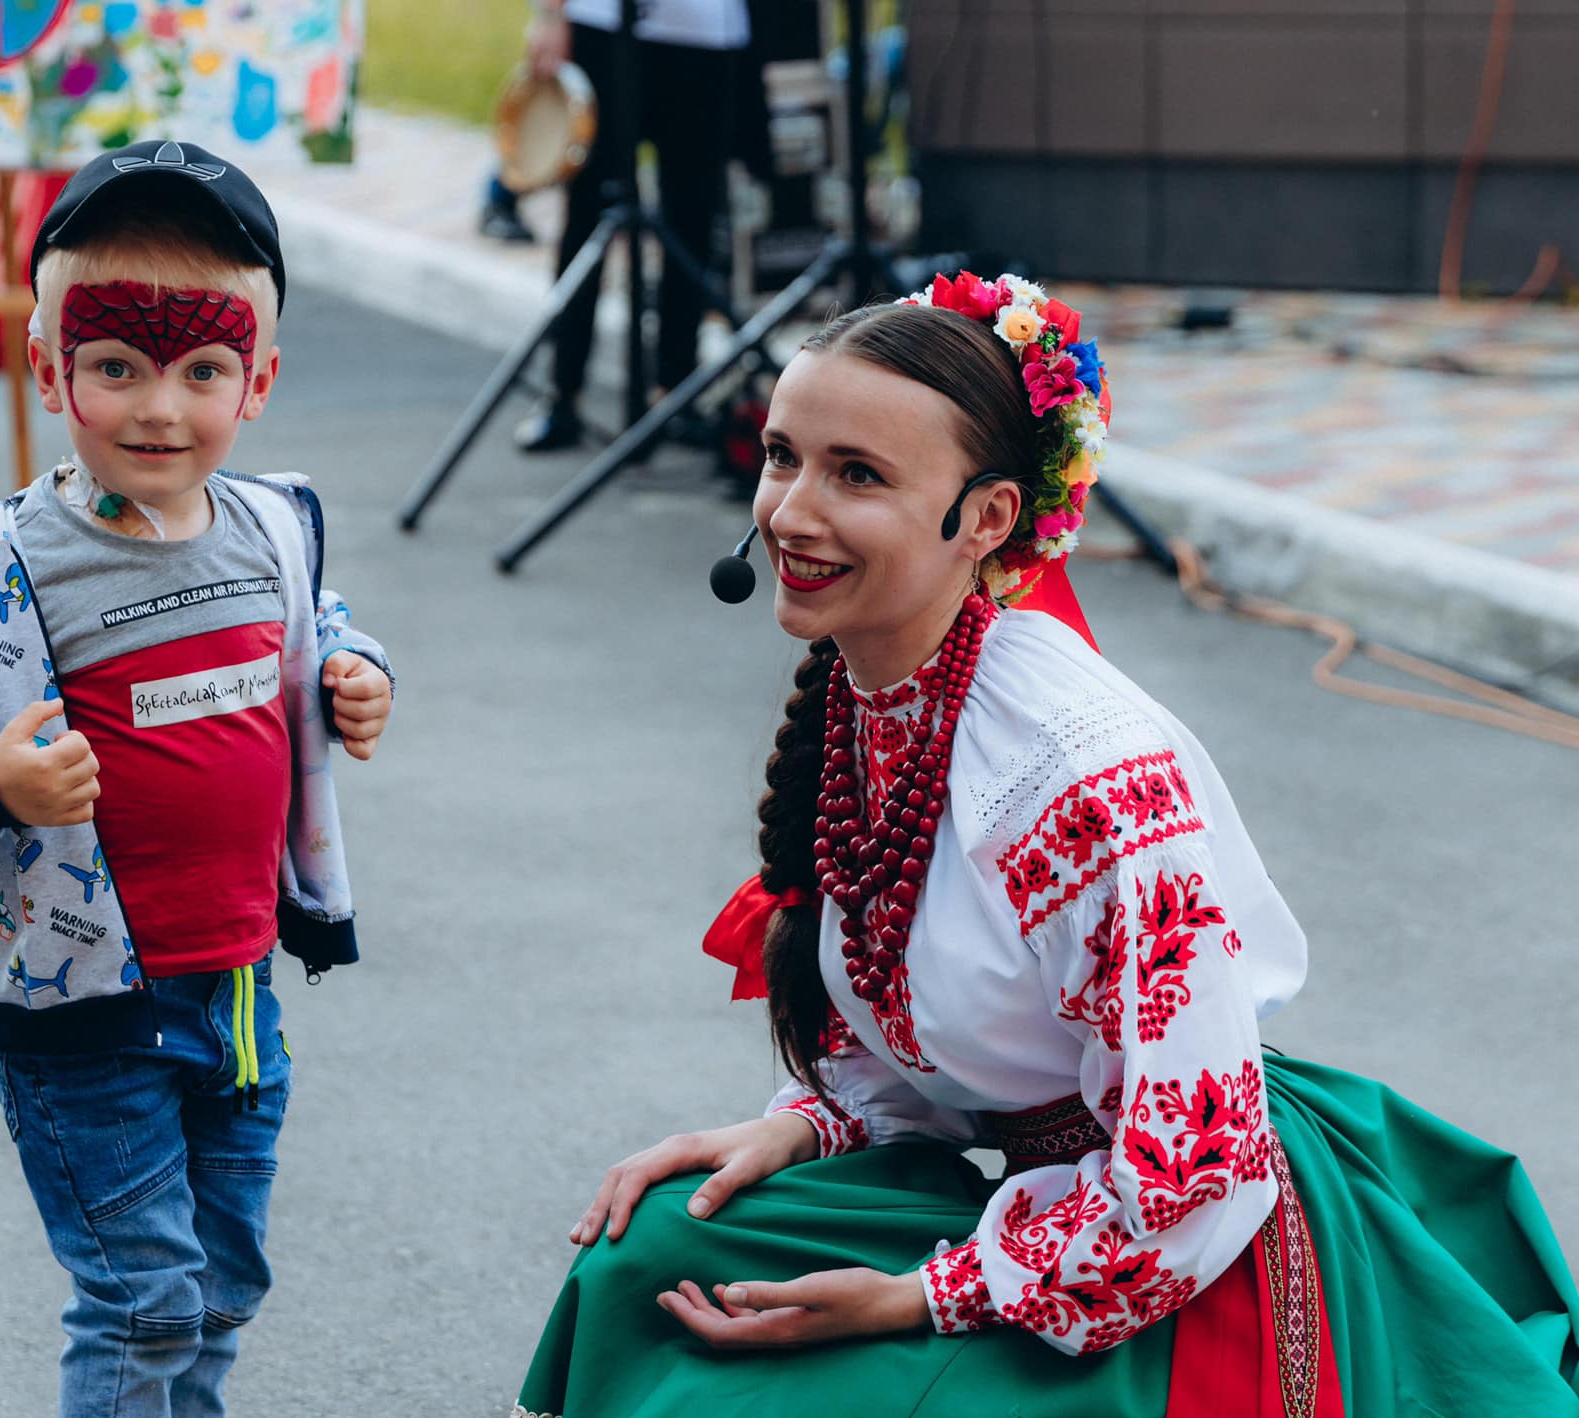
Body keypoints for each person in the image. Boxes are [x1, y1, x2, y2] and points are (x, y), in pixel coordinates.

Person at [513, 275, 1579, 1416]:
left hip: (1164, 1236)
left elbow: (1194, 1174)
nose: (791, 513)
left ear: (986, 519)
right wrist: (803, 1122)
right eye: (783, 456)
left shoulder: (1082, 771)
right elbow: (915, 1021)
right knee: (647, 1252)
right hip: (1032, 1194)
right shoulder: (865, 694)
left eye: (857, 474)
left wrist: (913, 1296)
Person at [0, 139, 395, 1418]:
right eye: (114, 366)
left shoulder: (272, 528)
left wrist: (356, 672)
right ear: (48, 368)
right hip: (80, 1008)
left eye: (202, 369)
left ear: (257, 380)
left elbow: (316, 625)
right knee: (142, 1295)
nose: (159, 407)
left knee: (218, 1288)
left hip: (237, 984)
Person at [513, 0, 747, 452]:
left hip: (702, 31)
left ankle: (675, 392)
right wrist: (549, 14)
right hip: (602, 23)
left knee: (691, 217)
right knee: (588, 211)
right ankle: (563, 389)